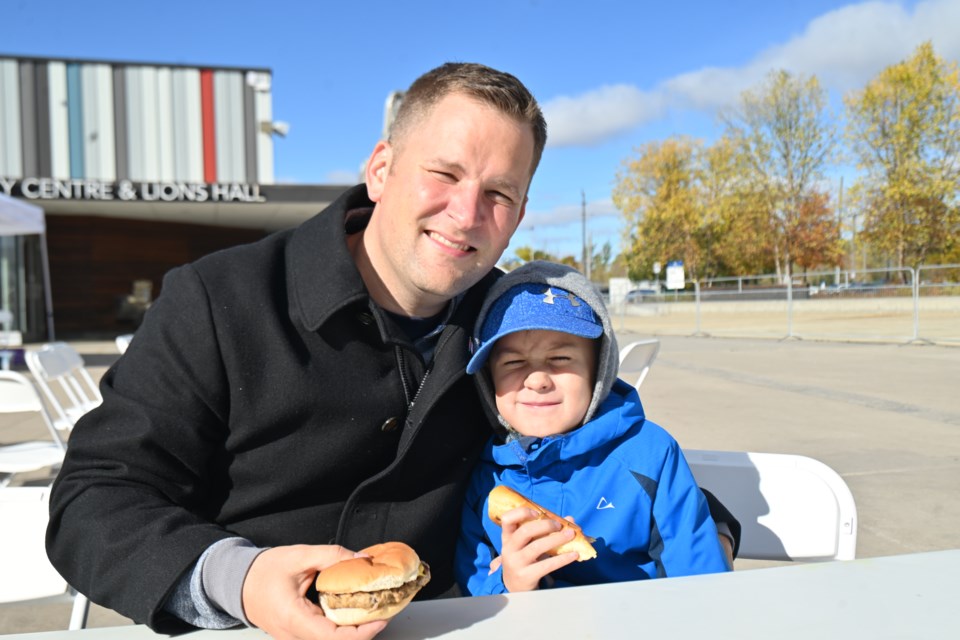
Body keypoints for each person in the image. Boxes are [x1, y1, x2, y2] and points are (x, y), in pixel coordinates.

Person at [46, 62, 735, 640]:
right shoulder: (219, 300)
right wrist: (241, 580)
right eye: (444, 174)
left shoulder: (510, 325)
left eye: (498, 194)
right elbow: (94, 500)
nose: (466, 214)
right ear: (381, 168)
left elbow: (611, 453)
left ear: (520, 216)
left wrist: (708, 533)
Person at [455, 261, 730, 595]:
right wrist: (510, 584)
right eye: (513, 362)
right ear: (488, 381)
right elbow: (474, 590)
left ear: (597, 372)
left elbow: (701, 580)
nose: (537, 379)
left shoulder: (650, 453)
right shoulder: (485, 476)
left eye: (560, 359)